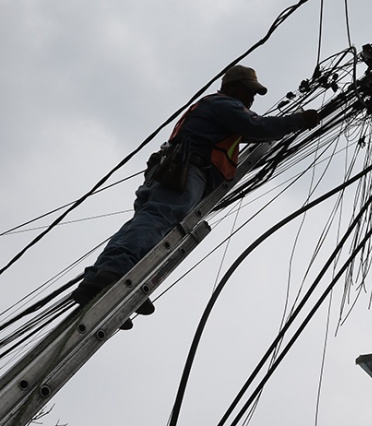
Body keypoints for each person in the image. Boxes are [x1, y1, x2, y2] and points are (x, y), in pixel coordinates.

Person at [71, 65, 319, 321]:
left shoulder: (219, 114)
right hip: (187, 170)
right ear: (231, 87)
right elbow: (257, 126)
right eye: (248, 91)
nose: (251, 98)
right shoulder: (224, 105)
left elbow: (252, 132)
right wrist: (300, 120)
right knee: (158, 220)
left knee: (152, 223)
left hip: (173, 170)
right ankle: (115, 271)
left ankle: (100, 280)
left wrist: (284, 127)